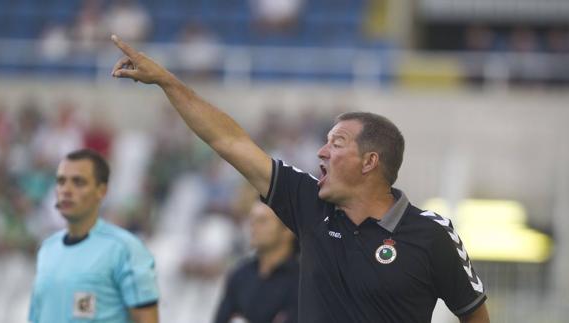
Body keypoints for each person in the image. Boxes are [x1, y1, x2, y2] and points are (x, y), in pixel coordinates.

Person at [110, 35, 490, 323]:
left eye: (336, 143)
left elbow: (475, 316)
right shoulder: (310, 206)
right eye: (324, 142)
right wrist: (168, 83)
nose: (322, 153)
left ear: (370, 162)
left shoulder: (431, 234)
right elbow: (228, 141)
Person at [28, 148, 159, 323]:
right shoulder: (47, 249)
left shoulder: (125, 249)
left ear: (101, 191)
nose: (66, 190)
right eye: (61, 181)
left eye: (78, 182)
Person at [214, 201, 299, 323]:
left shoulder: (302, 281)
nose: (253, 226)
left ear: (287, 230)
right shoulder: (240, 274)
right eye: (252, 220)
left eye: (262, 221)